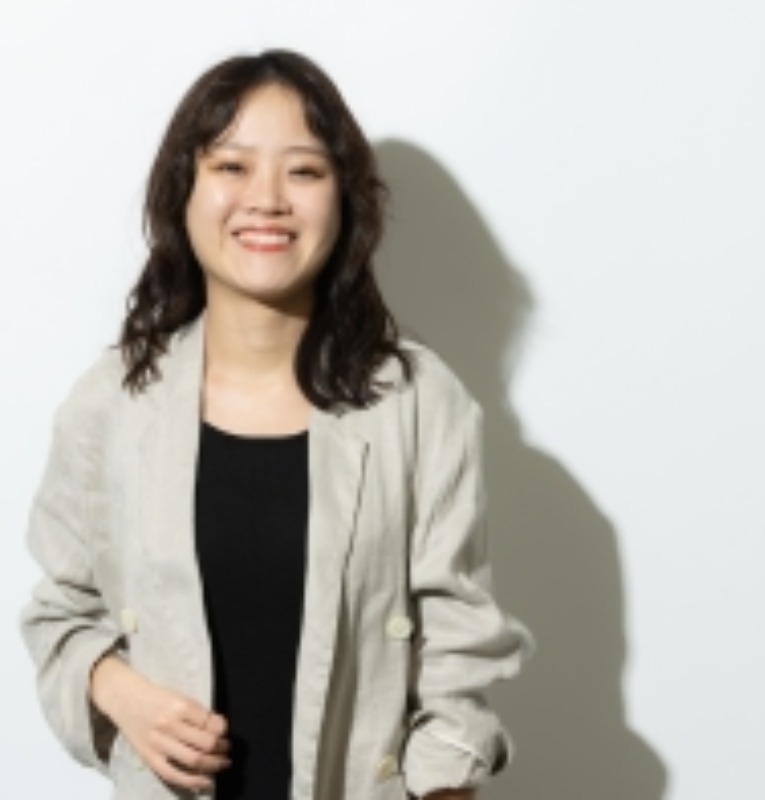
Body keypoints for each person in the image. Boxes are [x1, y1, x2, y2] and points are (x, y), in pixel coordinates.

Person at [19, 49, 531, 800]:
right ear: (183, 191)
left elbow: (458, 651)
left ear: (344, 202)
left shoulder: (420, 402)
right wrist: (117, 688)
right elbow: (60, 611)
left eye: (304, 171)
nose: (266, 199)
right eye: (231, 166)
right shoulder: (113, 402)